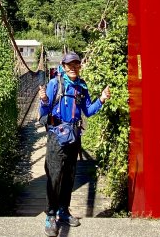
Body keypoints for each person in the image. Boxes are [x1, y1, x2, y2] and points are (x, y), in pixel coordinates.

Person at [38, 51, 110, 237]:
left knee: (69, 176)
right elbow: (44, 110)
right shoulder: (55, 84)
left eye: (76, 64)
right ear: (63, 66)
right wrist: (44, 99)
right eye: (70, 65)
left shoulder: (81, 86)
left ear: (80, 66)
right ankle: (51, 215)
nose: (73, 68)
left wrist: (101, 99)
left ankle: (63, 210)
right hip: (56, 137)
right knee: (54, 177)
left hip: (74, 137)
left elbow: (88, 111)